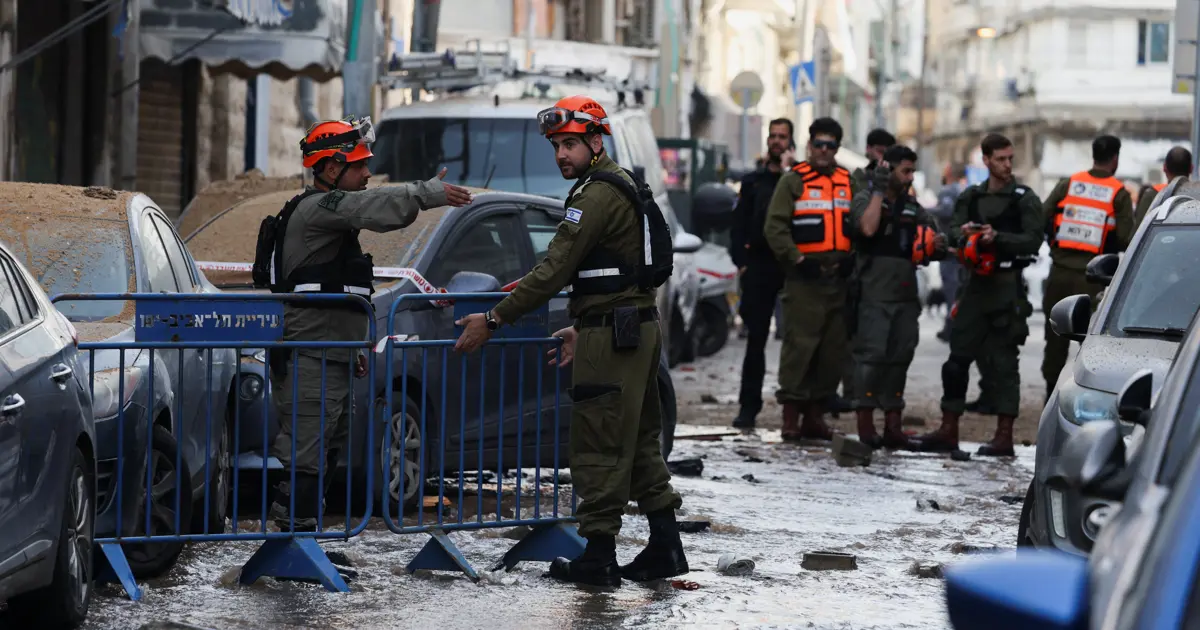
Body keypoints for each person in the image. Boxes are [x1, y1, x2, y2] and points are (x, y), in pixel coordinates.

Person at [453, 95, 687, 588]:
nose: (561, 154)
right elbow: (612, 272)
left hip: (615, 333)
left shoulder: (594, 194)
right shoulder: (621, 183)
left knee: (598, 442)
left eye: (570, 144)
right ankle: (665, 546)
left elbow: (553, 269)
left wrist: (493, 319)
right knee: (642, 441)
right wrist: (585, 325)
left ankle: (597, 558)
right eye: (557, 146)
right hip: (633, 327)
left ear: (595, 142)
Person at [262, 117, 472, 532]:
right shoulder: (318, 208)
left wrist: (357, 346)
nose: (367, 173)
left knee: (325, 450)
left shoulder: (331, 216)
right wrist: (425, 192)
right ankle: (291, 548)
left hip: (330, 352)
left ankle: (307, 544)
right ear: (330, 167)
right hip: (310, 354)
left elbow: (340, 290)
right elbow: (373, 208)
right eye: (358, 165)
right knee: (306, 453)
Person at [913, 133, 1043, 457]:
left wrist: (997, 237)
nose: (1007, 164)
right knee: (957, 361)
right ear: (985, 160)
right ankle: (949, 429)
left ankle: (1004, 436)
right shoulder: (970, 197)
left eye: (1010, 158)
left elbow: (1032, 240)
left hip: (1005, 287)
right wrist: (968, 235)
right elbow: (953, 232)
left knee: (1004, 365)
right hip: (974, 287)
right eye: (1000, 159)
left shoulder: (1023, 198)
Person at [762, 117, 855, 441]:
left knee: (831, 352)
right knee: (799, 349)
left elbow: (859, 226)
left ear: (837, 148)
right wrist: (798, 259)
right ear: (809, 145)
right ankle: (791, 418)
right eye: (819, 144)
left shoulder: (848, 180)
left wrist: (852, 258)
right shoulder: (794, 181)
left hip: (838, 281)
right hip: (804, 279)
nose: (824, 151)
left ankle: (815, 417)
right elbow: (774, 227)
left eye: (831, 145)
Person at [849, 145, 945, 448]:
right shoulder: (867, 198)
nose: (909, 177)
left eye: (912, 171)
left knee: (899, 358)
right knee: (871, 359)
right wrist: (878, 189)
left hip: (905, 297)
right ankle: (865, 426)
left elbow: (934, 239)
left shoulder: (912, 206)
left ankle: (893, 426)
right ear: (888, 170)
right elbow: (867, 227)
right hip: (873, 296)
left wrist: (939, 244)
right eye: (905, 171)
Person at [1040, 135, 1134, 400]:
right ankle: (1086, 396)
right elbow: (1128, 237)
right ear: (1115, 159)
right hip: (1094, 277)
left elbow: (1043, 215)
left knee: (1055, 338)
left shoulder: (1069, 184)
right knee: (1090, 341)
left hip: (1059, 273)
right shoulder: (1119, 193)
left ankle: (1050, 394)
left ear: (1093, 156)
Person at [730, 118, 795, 429]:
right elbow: (738, 223)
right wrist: (741, 261)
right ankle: (748, 407)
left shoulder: (796, 180)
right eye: (773, 136)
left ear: (790, 143)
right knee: (755, 340)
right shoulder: (753, 181)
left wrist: (789, 171)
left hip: (792, 265)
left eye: (782, 137)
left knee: (798, 339)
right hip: (758, 265)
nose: (776, 142)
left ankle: (797, 410)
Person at [933, 163, 967, 342]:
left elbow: (946, 210)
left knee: (951, 288)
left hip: (948, 248)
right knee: (956, 288)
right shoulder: (962, 190)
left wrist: (924, 209)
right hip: (959, 247)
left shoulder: (947, 191)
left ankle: (951, 326)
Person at [1135, 146, 1193, 226]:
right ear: (1191, 168)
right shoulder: (1196, 195)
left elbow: (1138, 232)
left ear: (1164, 168)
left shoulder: (1153, 194)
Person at [850, 128, 897, 192]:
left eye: (888, 154)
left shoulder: (895, 179)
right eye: (880, 152)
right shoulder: (856, 178)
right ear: (868, 148)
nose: (883, 158)